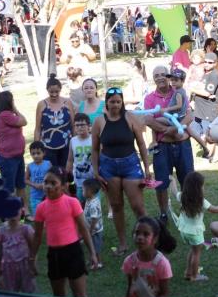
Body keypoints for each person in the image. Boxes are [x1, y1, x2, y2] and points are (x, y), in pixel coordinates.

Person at [92, 86, 151, 255]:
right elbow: (95, 149)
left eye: (118, 101)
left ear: (122, 102)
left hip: (130, 165)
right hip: (109, 167)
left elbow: (141, 143)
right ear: (107, 102)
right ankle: (123, 243)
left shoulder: (130, 117)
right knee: (116, 205)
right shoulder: (99, 122)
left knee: (138, 206)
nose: (115, 105)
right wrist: (96, 171)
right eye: (112, 102)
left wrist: (147, 167)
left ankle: (149, 239)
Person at [29, 167, 99, 297]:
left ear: (62, 186)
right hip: (54, 255)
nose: (48, 186)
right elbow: (37, 235)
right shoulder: (41, 208)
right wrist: (32, 258)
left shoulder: (72, 202)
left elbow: (84, 229)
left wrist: (93, 254)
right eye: (45, 182)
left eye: (53, 183)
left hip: (73, 252)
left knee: (80, 295)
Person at [143, 65, 195, 223]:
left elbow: (189, 115)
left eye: (163, 75)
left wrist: (174, 129)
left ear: (168, 76)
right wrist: (169, 130)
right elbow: (148, 119)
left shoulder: (178, 92)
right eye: (156, 75)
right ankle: (164, 213)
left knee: (187, 179)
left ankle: (189, 210)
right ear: (153, 79)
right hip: (163, 146)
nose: (160, 78)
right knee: (161, 182)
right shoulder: (150, 98)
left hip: (182, 144)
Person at [169, 172, 218, 281]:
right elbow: (214, 209)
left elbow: (174, 192)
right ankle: (194, 276)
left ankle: (188, 272)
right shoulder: (201, 201)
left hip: (184, 230)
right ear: (198, 188)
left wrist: (173, 181)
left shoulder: (183, 196)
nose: (203, 188)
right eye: (202, 186)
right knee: (196, 253)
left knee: (192, 250)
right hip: (195, 233)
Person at [123, 216, 176, 297]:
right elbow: (130, 287)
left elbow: (164, 294)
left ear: (155, 239)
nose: (140, 237)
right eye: (137, 233)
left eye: (146, 234)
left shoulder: (162, 264)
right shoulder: (129, 261)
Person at [0, 91, 27, 205]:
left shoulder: (5, 115)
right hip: (8, 159)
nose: (13, 102)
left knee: (20, 185)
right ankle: (10, 215)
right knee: (9, 189)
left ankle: (23, 212)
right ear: (8, 102)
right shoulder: (5, 115)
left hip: (17, 156)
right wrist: (15, 109)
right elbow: (24, 121)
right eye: (12, 100)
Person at [34, 74, 76, 168]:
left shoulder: (67, 102)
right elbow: (37, 128)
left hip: (66, 145)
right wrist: (36, 148)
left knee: (66, 173)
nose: (54, 94)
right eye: (51, 92)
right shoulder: (41, 104)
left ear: (61, 89)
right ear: (47, 90)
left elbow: (73, 125)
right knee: (51, 174)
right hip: (47, 147)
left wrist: (76, 142)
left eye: (57, 91)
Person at [0, 209, 37, 293]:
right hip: (7, 268)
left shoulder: (26, 229)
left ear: (21, 213)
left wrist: (33, 265)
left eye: (16, 211)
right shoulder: (0, 232)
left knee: (29, 294)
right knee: (10, 294)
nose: (12, 214)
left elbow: (33, 250)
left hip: (25, 266)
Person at [189, 51, 218, 159]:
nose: (207, 64)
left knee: (208, 134)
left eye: (210, 62)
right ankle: (211, 151)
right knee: (194, 130)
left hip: (208, 110)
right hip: (199, 110)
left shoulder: (214, 75)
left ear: (215, 63)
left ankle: (212, 153)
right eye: (205, 62)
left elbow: (207, 93)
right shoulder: (206, 73)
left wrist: (192, 89)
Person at [67, 113, 93, 202]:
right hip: (78, 179)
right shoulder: (73, 141)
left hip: (92, 178)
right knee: (79, 202)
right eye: (77, 125)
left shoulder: (94, 139)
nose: (79, 127)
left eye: (82, 125)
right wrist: (67, 174)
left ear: (89, 126)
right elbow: (70, 160)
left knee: (93, 202)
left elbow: (99, 158)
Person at [82, 179, 104, 269]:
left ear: (89, 191)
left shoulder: (93, 205)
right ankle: (91, 259)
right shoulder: (89, 199)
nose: (82, 192)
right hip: (90, 228)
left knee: (96, 247)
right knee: (90, 245)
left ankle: (98, 262)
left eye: (83, 190)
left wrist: (90, 230)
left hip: (95, 230)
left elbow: (94, 219)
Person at [25, 141, 51, 216]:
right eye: (33, 154)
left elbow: (53, 176)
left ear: (44, 153)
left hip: (48, 195)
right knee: (38, 216)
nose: (36, 156)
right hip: (35, 196)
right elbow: (25, 179)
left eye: (38, 153)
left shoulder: (48, 164)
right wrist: (34, 185)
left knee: (48, 214)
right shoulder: (30, 166)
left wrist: (46, 184)